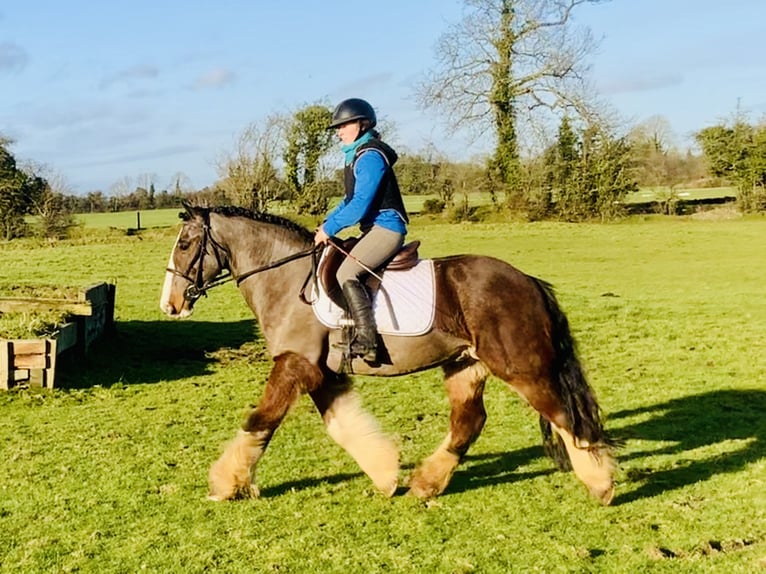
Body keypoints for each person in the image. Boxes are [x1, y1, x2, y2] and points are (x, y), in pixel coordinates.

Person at [314, 98, 409, 362]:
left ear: (362, 124)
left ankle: (367, 341)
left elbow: (359, 205)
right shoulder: (355, 156)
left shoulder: (369, 157)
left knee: (346, 271)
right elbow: (347, 201)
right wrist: (326, 223)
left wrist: (330, 229)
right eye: (338, 127)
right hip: (374, 228)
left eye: (344, 125)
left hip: (387, 228)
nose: (339, 131)